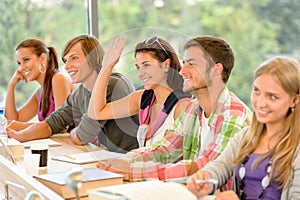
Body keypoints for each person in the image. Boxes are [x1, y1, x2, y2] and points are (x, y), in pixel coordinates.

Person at [96, 36, 252, 181]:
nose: (183, 71)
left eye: (192, 64)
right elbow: (164, 149)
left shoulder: (232, 114)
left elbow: (204, 167)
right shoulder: (192, 109)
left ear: (216, 70)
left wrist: (132, 172)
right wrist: (122, 162)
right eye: (184, 63)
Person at [187, 56, 300, 200]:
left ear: (295, 100)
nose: (260, 103)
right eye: (257, 91)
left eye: (272, 97)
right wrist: (204, 179)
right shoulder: (245, 136)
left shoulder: (297, 147)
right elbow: (220, 167)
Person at [7, 34, 139, 153]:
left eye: (74, 58)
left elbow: (82, 136)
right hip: (107, 158)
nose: (67, 66)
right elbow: (50, 124)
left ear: (93, 57)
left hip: (130, 160)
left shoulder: (114, 84)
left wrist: (76, 132)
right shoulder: (79, 93)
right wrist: (19, 136)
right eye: (66, 61)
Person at [88, 36, 191, 147]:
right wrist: (106, 67)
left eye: (146, 65)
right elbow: (96, 112)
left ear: (166, 65)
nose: (140, 74)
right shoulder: (142, 99)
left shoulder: (182, 106)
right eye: (138, 67)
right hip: (142, 163)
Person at [5, 38, 73, 124]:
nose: (21, 68)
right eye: (19, 63)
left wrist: (21, 127)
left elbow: (61, 125)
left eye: (26, 59)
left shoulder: (59, 79)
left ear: (42, 58)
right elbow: (12, 121)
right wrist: (11, 85)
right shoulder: (40, 92)